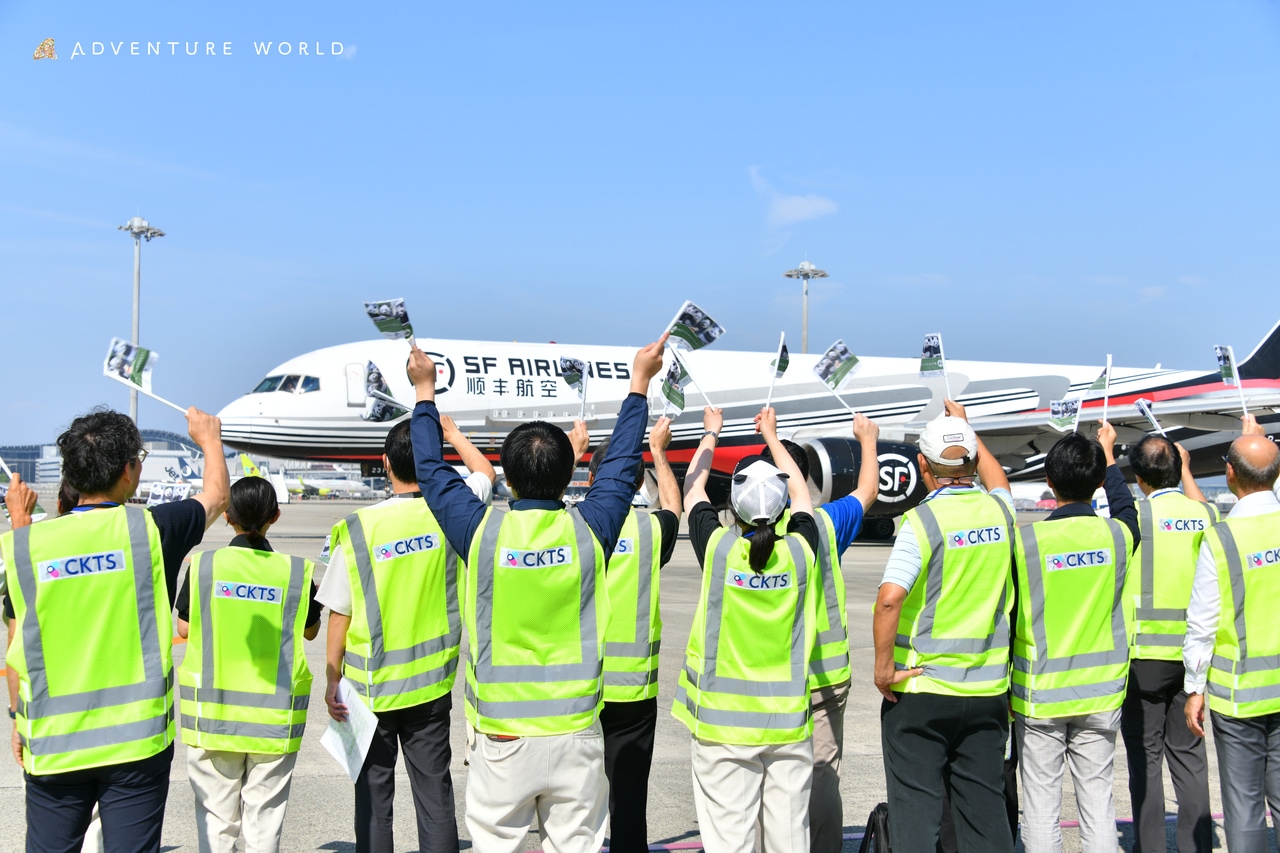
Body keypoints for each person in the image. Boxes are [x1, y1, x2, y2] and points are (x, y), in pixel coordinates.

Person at [408, 335, 667, 853]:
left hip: (503, 737)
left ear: (507, 481)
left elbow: (431, 472)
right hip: (576, 733)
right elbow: (619, 468)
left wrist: (424, 392)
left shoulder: (482, 534)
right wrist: (639, 383)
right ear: (570, 473)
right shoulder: (590, 531)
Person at [0, 406, 229, 853]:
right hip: (136, 744)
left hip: (55, 741)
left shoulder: (24, 547)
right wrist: (209, 439)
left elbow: (19, 641)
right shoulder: (150, 530)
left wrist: (17, 718)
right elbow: (217, 496)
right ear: (128, 471)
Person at [319, 416, 495, 853]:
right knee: (435, 794)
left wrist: (331, 681)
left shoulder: (358, 528)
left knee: (374, 799)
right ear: (434, 462)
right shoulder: (453, 512)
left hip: (370, 688)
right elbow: (486, 473)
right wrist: (453, 436)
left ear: (384, 464)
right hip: (431, 684)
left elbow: (339, 613)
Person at [872, 401, 1017, 853]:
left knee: (917, 811)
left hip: (924, 690)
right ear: (973, 460)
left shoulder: (922, 521)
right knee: (985, 813)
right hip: (988, 690)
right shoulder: (1001, 513)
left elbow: (890, 598)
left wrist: (883, 669)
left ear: (922, 465)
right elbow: (998, 482)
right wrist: (967, 431)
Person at [674, 405, 820, 853]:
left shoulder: (718, 551)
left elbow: (692, 487)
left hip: (723, 727)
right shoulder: (801, 553)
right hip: (788, 725)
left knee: (730, 842)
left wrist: (711, 434)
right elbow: (802, 497)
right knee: (791, 839)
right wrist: (773, 439)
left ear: (732, 509)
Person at [174, 477, 322, 853]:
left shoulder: (204, 566)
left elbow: (185, 628)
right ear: (275, 515)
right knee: (263, 825)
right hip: (273, 724)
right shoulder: (295, 573)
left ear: (227, 517)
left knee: (217, 827)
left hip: (214, 717)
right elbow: (310, 632)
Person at [1012, 423, 1139, 853]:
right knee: (1097, 801)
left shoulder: (1025, 542)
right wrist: (1108, 456)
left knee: (1041, 805)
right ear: (1099, 482)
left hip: (1040, 695)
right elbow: (1126, 509)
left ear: (1048, 482)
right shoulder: (1118, 536)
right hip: (1101, 693)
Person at [761, 413, 880, 853]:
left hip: (773, 677)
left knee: (770, 775)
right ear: (805, 477)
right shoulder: (829, 522)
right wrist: (868, 441)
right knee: (824, 772)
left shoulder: (751, 534)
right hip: (827, 674)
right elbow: (867, 491)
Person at [1183, 415, 1280, 853]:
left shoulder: (1221, 538)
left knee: (1243, 807)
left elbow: (1202, 622)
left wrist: (1194, 687)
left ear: (1229, 473)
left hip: (1238, 694)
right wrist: (1259, 442)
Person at [584, 417, 682, 853]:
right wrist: (660, 453)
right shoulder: (649, 531)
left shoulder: (574, 529)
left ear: (591, 479)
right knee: (629, 800)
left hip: (579, 685)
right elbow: (674, 507)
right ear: (639, 482)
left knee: (575, 803)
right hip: (634, 690)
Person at [1121, 435, 1216, 853]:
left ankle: (1151, 846)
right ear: (1179, 470)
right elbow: (1201, 512)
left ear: (1138, 478)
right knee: (1190, 757)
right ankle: (1196, 846)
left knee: (1146, 760)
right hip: (1194, 656)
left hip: (1144, 657)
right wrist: (1187, 470)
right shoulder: (1207, 514)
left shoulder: (1131, 517)